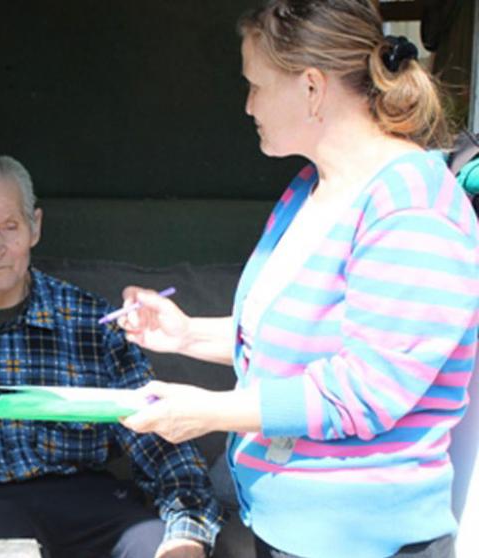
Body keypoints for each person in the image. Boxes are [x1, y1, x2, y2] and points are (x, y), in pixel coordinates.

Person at [117, 2, 479, 557]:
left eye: (256, 85)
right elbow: (293, 340)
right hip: (284, 531)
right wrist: (186, 335)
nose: (247, 104)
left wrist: (209, 412)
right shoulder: (307, 189)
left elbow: (365, 389)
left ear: (312, 87)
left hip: (365, 544)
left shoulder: (412, 208)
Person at [0, 156, 223, 558]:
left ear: (35, 227)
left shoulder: (90, 321)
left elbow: (160, 442)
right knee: (2, 536)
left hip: (87, 502)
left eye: (10, 228)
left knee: (151, 542)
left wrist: (186, 534)